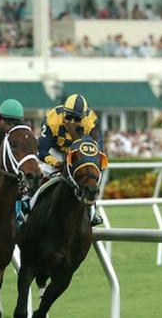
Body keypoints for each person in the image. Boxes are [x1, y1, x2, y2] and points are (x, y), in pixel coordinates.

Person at [38, 94, 105, 226]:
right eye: (69, 117)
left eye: (77, 118)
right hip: (56, 150)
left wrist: (74, 134)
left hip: (79, 151)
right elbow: (42, 150)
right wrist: (55, 162)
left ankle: (92, 209)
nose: (73, 121)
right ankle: (29, 203)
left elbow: (97, 151)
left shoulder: (91, 121)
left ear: (84, 116)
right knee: (41, 174)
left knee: (91, 174)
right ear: (63, 112)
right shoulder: (52, 119)